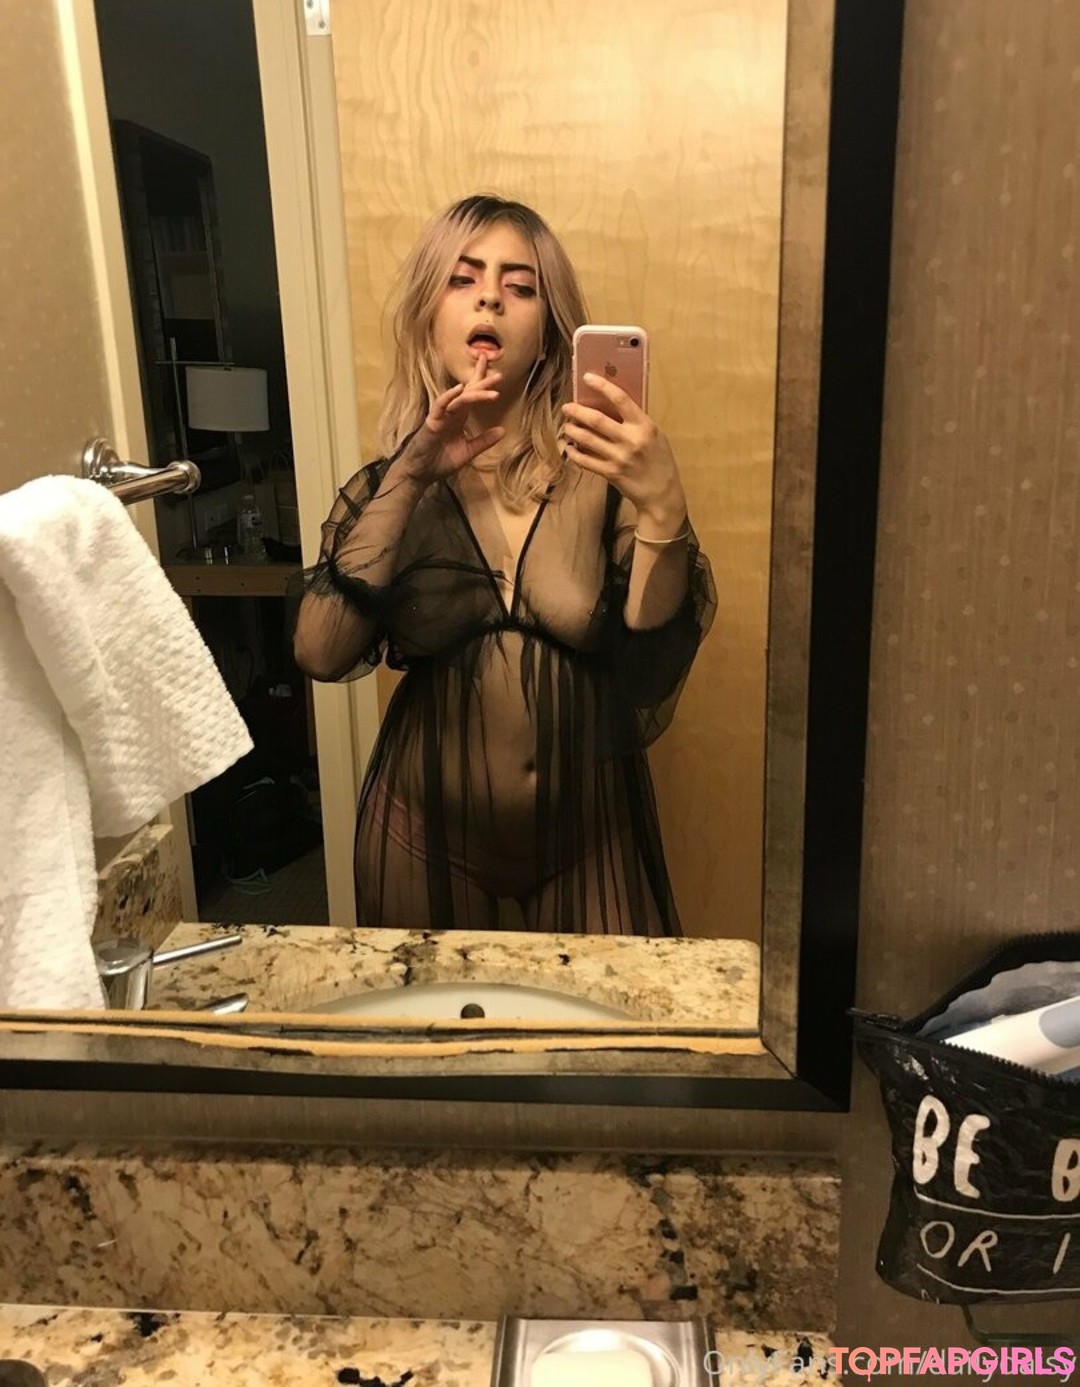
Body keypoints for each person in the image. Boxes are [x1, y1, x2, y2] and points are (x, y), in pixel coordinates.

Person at [293, 194, 715, 935]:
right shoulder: (391, 489)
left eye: (521, 286)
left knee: (606, 1013)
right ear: (428, 317)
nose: (490, 296)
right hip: (420, 837)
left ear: (550, 335)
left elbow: (652, 669)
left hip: (589, 841)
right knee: (438, 1016)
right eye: (462, 279)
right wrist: (413, 471)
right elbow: (321, 653)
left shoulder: (601, 480)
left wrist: (663, 511)